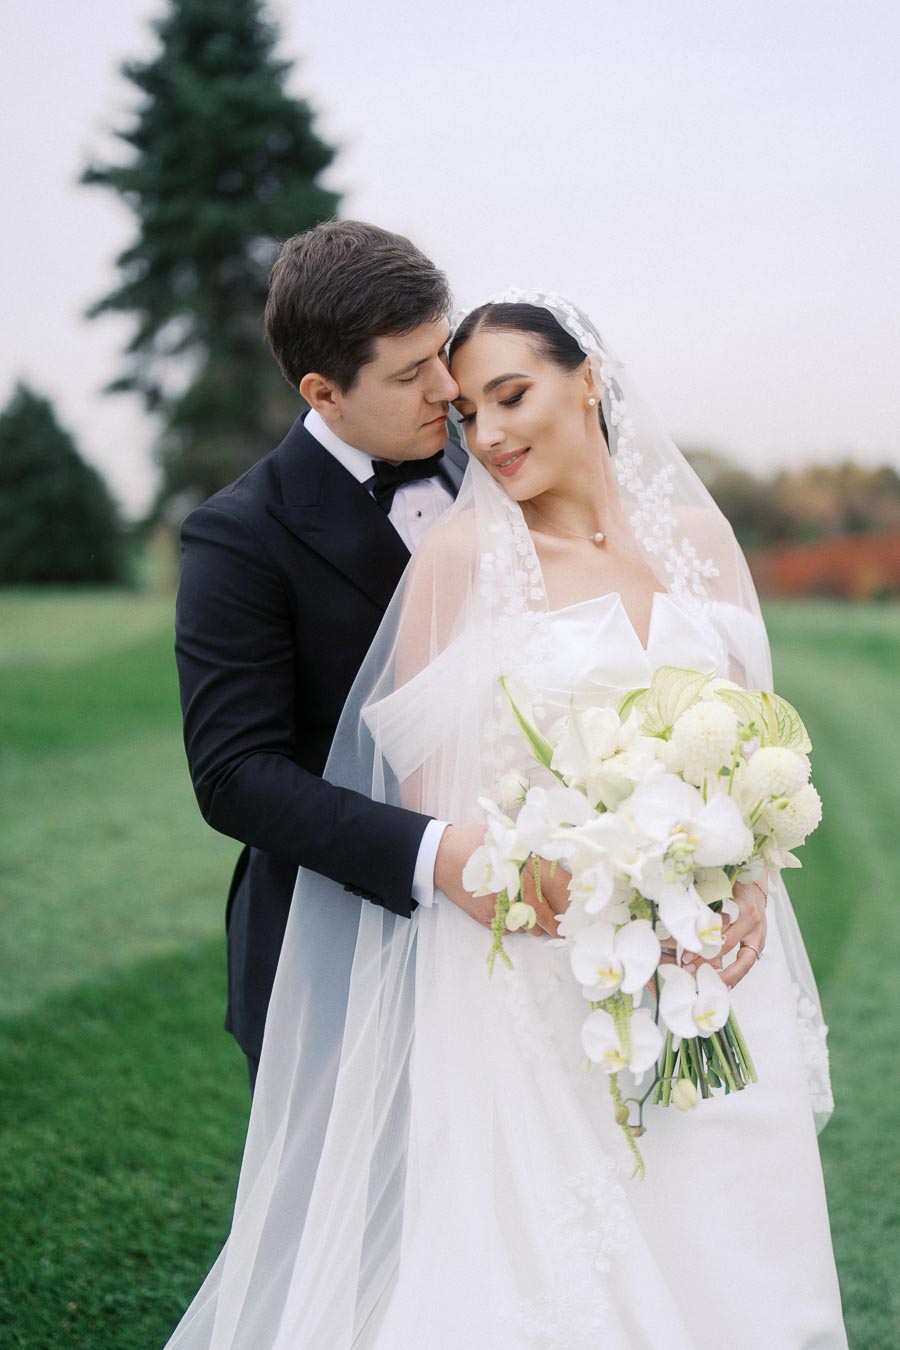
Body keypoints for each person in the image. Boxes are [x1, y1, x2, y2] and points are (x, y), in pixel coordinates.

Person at [165, 292, 846, 1348]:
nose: (488, 433)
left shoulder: (705, 539)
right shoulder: (465, 560)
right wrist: (589, 891)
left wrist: (745, 873)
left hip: (717, 968)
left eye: (512, 395)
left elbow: (757, 744)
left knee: (735, 1253)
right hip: (551, 977)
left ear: (591, 378)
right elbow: (449, 816)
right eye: (471, 411)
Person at [174, 224, 567, 1091]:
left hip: (539, 926)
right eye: (408, 373)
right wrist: (439, 857)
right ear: (323, 392)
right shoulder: (237, 537)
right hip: (339, 936)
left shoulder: (500, 463)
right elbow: (234, 774)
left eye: (442, 351)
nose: (447, 388)